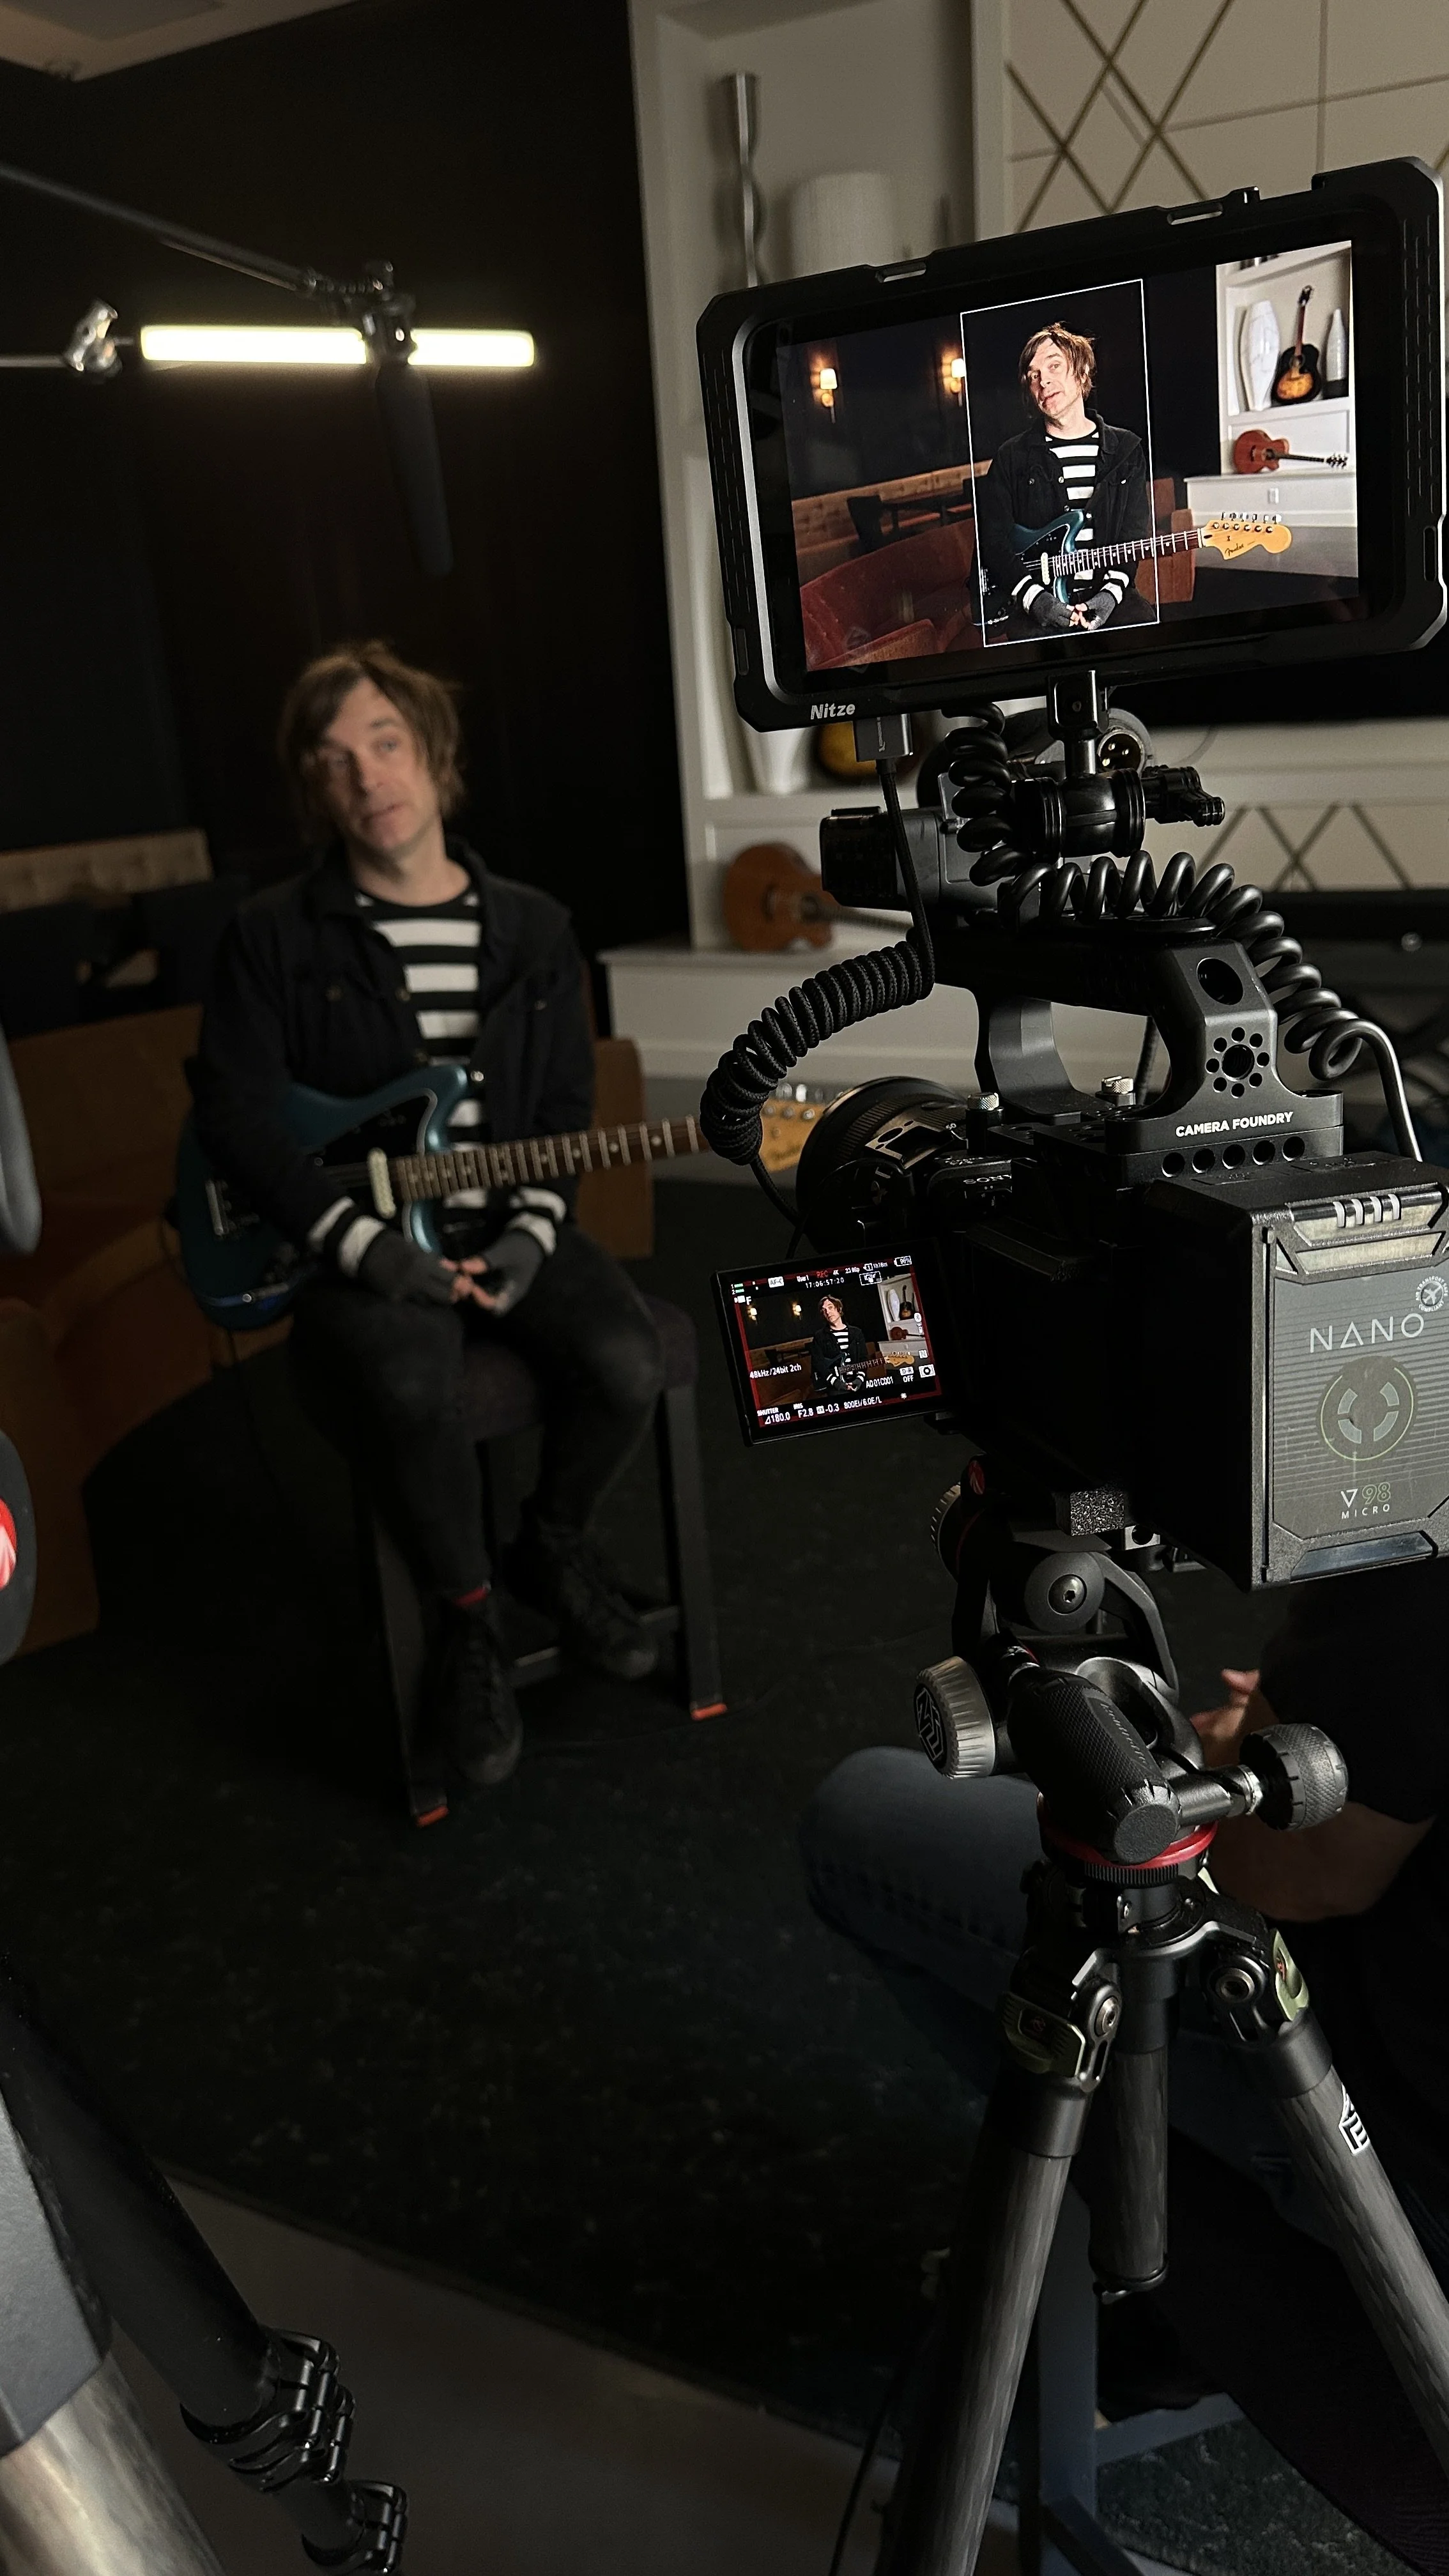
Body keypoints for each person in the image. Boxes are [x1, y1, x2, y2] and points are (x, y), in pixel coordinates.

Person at [193, 642, 664, 1791]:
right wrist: (358, 1248)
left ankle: (547, 1546)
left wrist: (525, 1238)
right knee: (412, 1384)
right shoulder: (272, 935)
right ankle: (466, 1619)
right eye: (333, 759)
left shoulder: (536, 929)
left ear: (433, 753)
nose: (366, 777)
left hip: (499, 1217)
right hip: (348, 1234)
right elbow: (236, 1119)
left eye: (385, 742)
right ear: (315, 789)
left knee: (625, 1359)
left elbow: (560, 1111)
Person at [799, 1558, 1449, 2294]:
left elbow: (1290, 1873)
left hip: (1410, 2154)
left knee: (857, 1818)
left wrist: (1232, 1744)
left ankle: (1133, 2245)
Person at [974, 319, 1153, 640]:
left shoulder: (1127, 450)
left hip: (1108, 595)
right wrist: (1035, 599)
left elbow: (1133, 537)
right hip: (1033, 600)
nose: (1043, 381)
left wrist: (1109, 595)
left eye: (1054, 366)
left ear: (1083, 372)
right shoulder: (1011, 457)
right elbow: (993, 540)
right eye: (1033, 376)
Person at [808, 1293, 871, 1395]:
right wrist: (837, 1383)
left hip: (858, 1383)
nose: (828, 1312)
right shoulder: (820, 1336)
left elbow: (863, 1359)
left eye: (830, 1307)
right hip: (835, 1386)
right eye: (824, 1311)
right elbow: (818, 1364)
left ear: (839, 1308)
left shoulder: (857, 1333)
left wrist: (859, 1379)